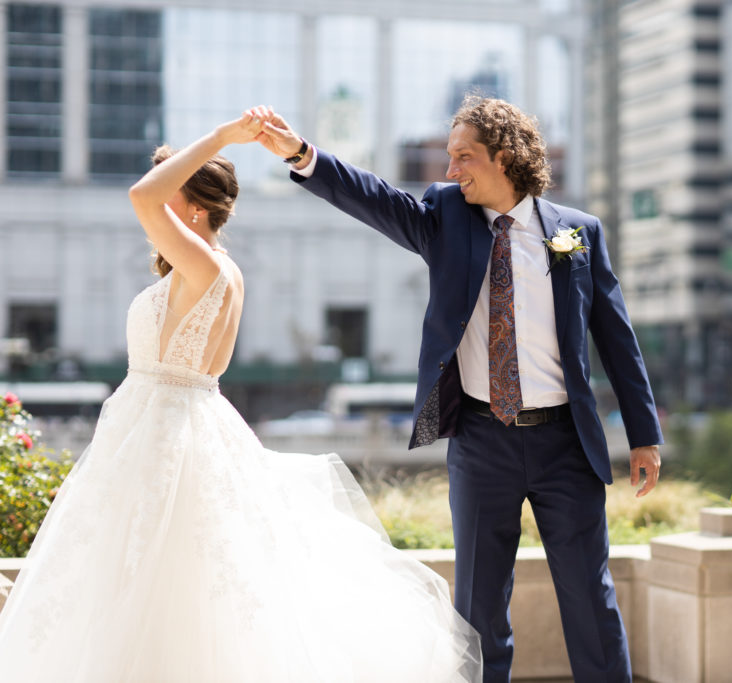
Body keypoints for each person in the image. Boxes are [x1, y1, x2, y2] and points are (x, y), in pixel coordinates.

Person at [0, 114, 482, 683]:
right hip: (167, 426)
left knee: (158, 582)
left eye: (172, 186)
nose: (161, 198)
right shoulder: (211, 268)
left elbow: (139, 197)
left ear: (195, 206)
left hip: (165, 434)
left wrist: (222, 138)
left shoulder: (206, 266)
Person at [250, 96, 664, 682]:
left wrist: (644, 435)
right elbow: (376, 199)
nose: (450, 170)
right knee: (477, 611)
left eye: (463, 157)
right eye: (449, 158)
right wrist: (300, 154)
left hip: (566, 446)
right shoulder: (445, 218)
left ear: (504, 158)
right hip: (480, 441)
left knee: (590, 601)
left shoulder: (578, 233)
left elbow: (617, 339)